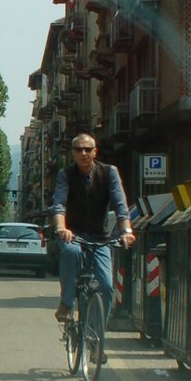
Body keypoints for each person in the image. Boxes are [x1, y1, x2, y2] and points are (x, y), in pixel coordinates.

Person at [50, 133, 135, 326]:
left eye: (88, 149)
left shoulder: (109, 172)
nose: (84, 153)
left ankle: (97, 334)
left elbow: (121, 206)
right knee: (71, 252)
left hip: (101, 237)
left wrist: (127, 231)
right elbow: (59, 205)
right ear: (73, 153)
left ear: (95, 152)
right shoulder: (66, 174)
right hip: (74, 235)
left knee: (106, 285)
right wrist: (62, 228)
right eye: (79, 149)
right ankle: (67, 303)